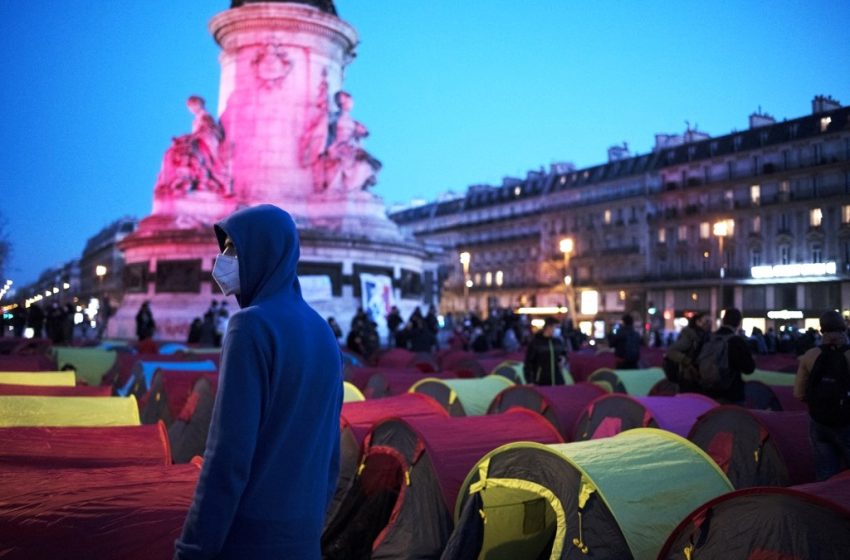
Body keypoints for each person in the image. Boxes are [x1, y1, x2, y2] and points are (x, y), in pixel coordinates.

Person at [175, 204, 343, 559]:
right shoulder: (323, 331)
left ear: (263, 251)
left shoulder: (250, 326)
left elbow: (228, 457)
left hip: (248, 542)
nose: (223, 259)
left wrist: (192, 549)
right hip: (303, 540)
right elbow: (331, 454)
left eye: (233, 249)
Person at [794, 310, 850, 481]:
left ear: (821, 330)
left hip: (819, 420)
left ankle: (828, 504)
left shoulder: (810, 356)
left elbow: (799, 393)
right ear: (844, 328)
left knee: (826, 472)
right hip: (847, 420)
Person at [700, 308, 755, 404]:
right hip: (731, 391)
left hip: (708, 391)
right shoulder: (736, 341)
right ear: (738, 322)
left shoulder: (709, 338)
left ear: (723, 320)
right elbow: (749, 369)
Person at [663, 312, 712, 391]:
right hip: (689, 376)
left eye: (710, 321)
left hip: (700, 374)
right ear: (698, 322)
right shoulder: (690, 335)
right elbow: (671, 351)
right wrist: (687, 361)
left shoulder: (706, 335)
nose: (709, 324)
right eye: (706, 321)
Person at [523, 317, 568, 385]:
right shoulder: (535, 343)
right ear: (549, 327)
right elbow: (528, 364)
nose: (558, 330)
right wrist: (530, 381)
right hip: (541, 382)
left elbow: (564, 355)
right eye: (556, 327)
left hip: (558, 381)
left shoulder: (558, 342)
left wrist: (564, 359)